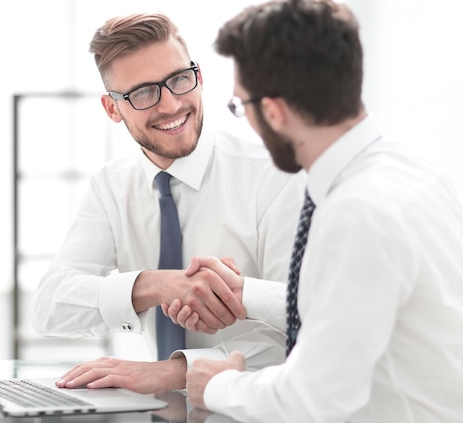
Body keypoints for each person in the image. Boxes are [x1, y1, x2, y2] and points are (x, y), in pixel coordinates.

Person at [176, 0, 463, 422]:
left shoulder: (359, 213)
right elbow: (356, 310)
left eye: (242, 107)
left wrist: (214, 385)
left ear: (272, 110)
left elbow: (314, 399)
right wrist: (244, 294)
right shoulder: (412, 172)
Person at [31, 12, 306, 394]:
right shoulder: (112, 186)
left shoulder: (274, 176)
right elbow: (50, 308)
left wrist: (174, 372)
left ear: (199, 76)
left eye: (179, 79)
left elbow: (305, 327)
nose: (171, 105)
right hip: (160, 412)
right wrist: (156, 285)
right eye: (143, 92)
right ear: (113, 109)